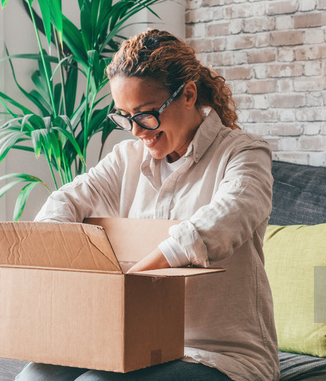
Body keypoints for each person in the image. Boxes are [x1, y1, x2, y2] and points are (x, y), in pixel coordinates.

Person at [15, 29, 278, 381]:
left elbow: (227, 216)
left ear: (187, 94)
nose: (136, 131)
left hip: (219, 354)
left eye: (145, 114)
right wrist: (53, 250)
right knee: (35, 378)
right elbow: (67, 200)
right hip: (135, 342)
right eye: (124, 116)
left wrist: (138, 276)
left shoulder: (244, 153)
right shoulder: (126, 159)